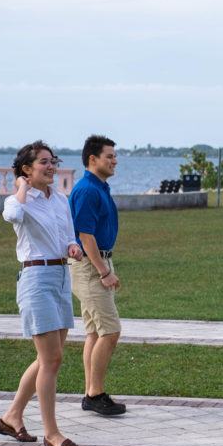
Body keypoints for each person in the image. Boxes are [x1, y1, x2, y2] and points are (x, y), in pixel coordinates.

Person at [0, 141, 85, 446]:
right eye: (43, 163)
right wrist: (22, 187)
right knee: (52, 359)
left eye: (53, 162)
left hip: (61, 276)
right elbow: (12, 214)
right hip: (36, 278)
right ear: (27, 169)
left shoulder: (59, 199)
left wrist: (72, 247)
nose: (51, 167)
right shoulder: (19, 199)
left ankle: (11, 416)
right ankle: (52, 433)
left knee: (48, 357)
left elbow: (68, 236)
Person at [69, 134, 126, 416]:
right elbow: (84, 235)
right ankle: (95, 394)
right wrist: (104, 272)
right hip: (92, 266)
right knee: (111, 331)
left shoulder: (100, 187)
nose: (115, 161)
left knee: (93, 332)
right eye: (110, 156)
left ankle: (91, 391)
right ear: (93, 159)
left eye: (115, 156)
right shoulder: (87, 190)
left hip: (99, 262)